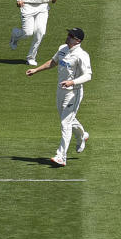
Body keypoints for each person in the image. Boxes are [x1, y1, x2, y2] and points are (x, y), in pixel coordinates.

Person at [26, 27, 91, 167]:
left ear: (78, 40)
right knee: (67, 119)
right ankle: (82, 136)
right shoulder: (63, 48)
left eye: (71, 36)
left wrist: (72, 82)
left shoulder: (81, 55)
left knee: (65, 123)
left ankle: (61, 156)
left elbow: (88, 75)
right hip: (60, 90)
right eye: (68, 34)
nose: (67, 36)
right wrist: (36, 70)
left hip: (73, 92)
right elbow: (53, 62)